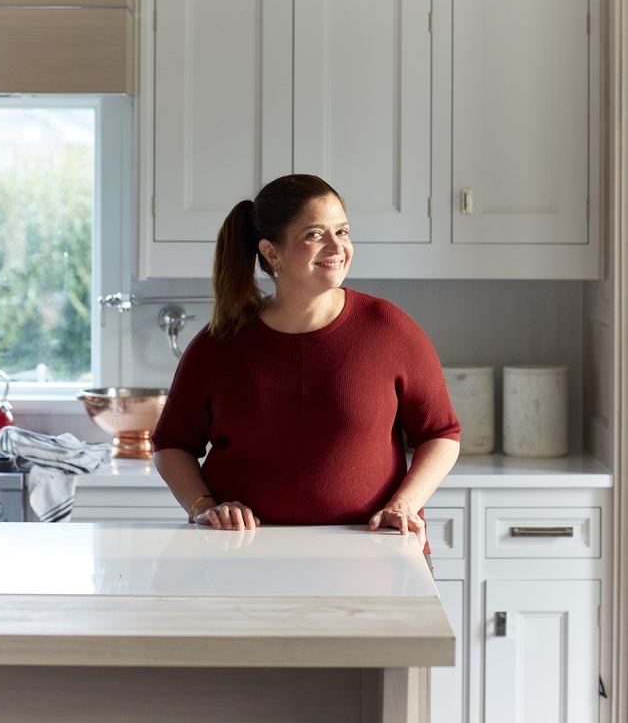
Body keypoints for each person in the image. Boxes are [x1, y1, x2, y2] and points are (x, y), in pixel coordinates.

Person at [151, 174, 460, 553]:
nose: (337, 247)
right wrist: (205, 507)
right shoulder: (220, 343)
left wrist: (404, 504)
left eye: (343, 231)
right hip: (243, 558)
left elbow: (441, 434)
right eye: (315, 234)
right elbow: (171, 445)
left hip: (376, 553)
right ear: (271, 252)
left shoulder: (389, 328)